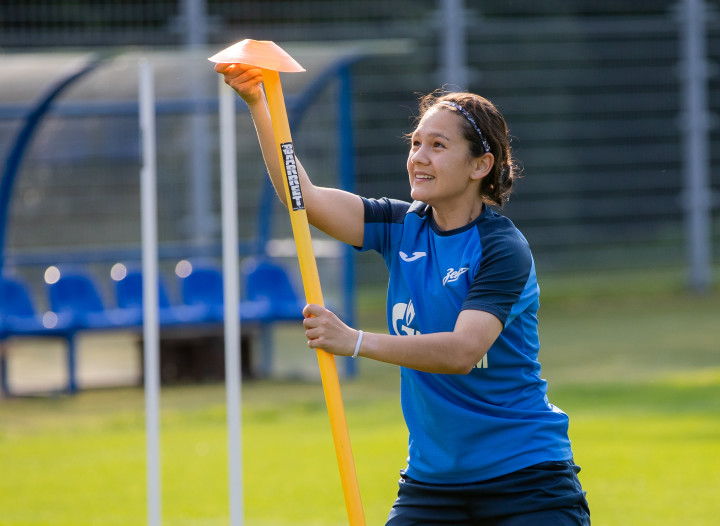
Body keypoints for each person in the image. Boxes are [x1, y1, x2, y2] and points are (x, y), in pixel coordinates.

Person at [215, 62, 591, 525]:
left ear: (481, 165)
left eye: (438, 145)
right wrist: (259, 105)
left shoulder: (501, 247)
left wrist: (354, 340)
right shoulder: (400, 225)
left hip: (525, 478)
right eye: (415, 143)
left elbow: (461, 352)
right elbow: (305, 199)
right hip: (434, 482)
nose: (418, 156)